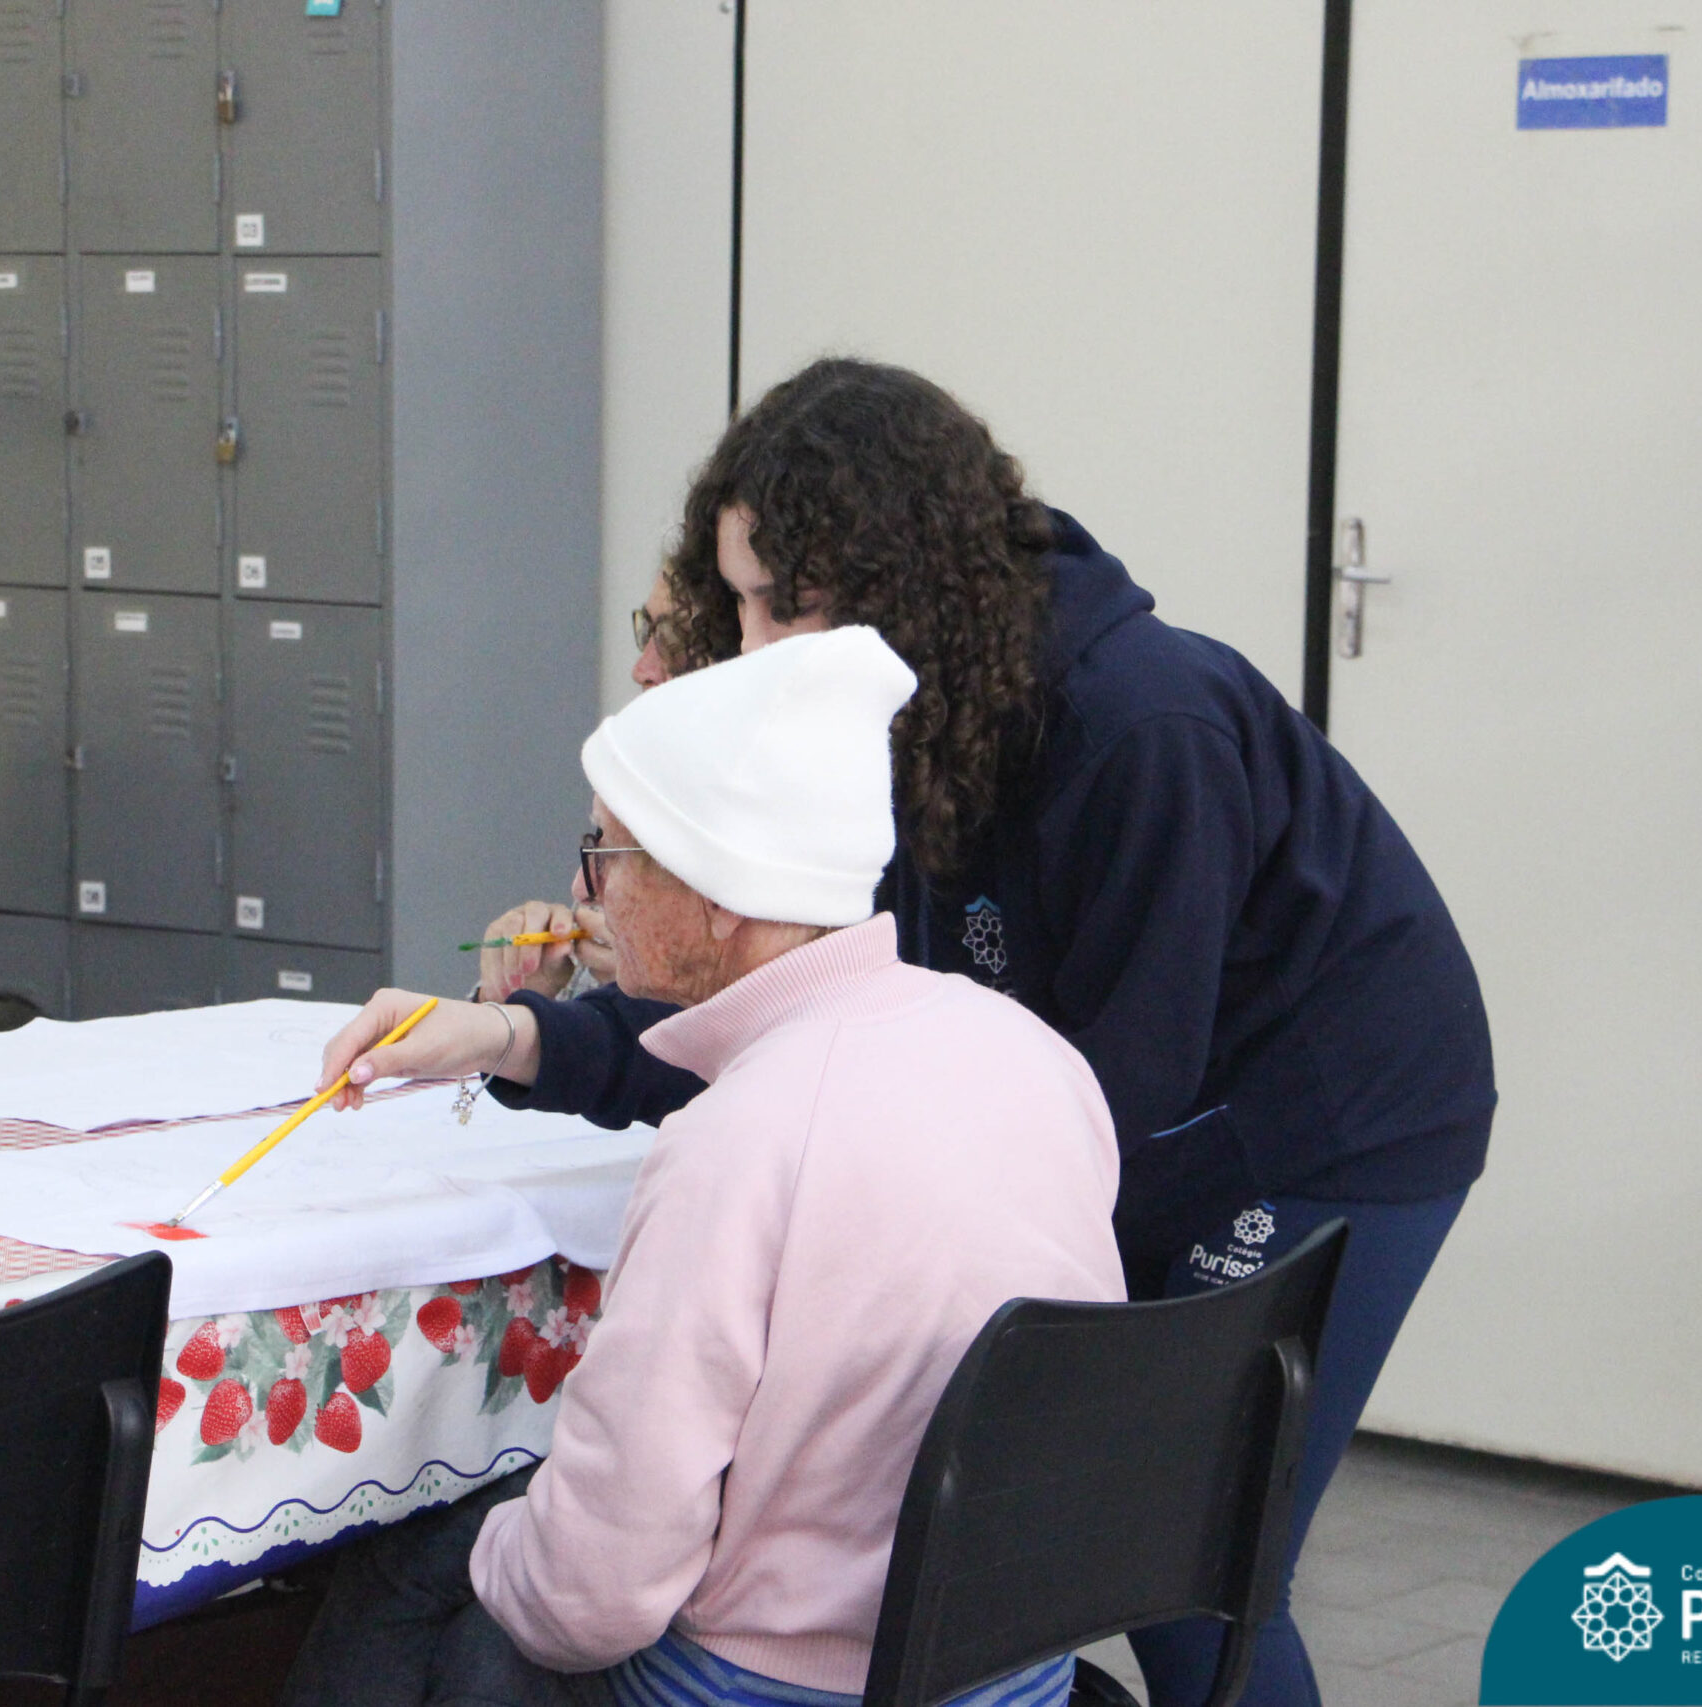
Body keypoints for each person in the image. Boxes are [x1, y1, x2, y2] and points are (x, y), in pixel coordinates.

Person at [321, 358, 1498, 1707]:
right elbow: (818, 1025)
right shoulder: (912, 710)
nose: (751, 641)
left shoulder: (1140, 725)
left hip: (1333, 1106)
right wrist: (516, 1038)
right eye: (738, 600)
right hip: (1122, 1098)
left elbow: (1092, 1101)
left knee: (1191, 1561)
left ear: (899, 578)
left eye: (778, 602)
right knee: (1051, 1515)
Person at [286, 625, 1124, 1707]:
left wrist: (501, 1555)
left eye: (607, 852)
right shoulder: (1030, 1053)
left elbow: (593, 1598)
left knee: (418, 1572)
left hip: (785, 1677)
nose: (584, 885)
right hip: (1013, 1665)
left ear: (720, 893)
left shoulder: (738, 1138)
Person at [477, 564, 686, 1001]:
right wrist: (525, 998)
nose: (641, 669)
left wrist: (640, 997)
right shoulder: (645, 774)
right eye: (647, 632)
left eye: (672, 639)